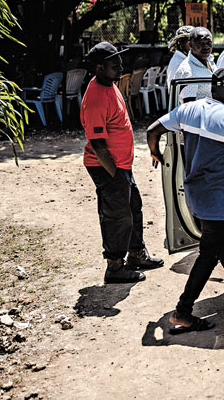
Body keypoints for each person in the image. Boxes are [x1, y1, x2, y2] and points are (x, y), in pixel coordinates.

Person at [146, 68, 224, 334]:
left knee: (222, 243)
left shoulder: (188, 111)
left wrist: (157, 154)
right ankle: (183, 312)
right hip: (218, 198)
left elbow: (153, 131)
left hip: (195, 194)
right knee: (210, 252)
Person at [81, 42, 163, 284]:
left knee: (133, 207)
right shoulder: (95, 96)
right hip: (107, 166)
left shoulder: (110, 85)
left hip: (120, 165)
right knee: (117, 215)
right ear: (99, 67)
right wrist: (115, 174)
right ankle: (115, 267)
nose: (120, 66)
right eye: (114, 63)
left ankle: (136, 254)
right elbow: (97, 145)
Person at [172, 27, 216, 101]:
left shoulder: (209, 59)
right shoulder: (188, 72)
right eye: (200, 43)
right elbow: (189, 107)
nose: (206, 46)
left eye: (209, 42)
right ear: (190, 45)